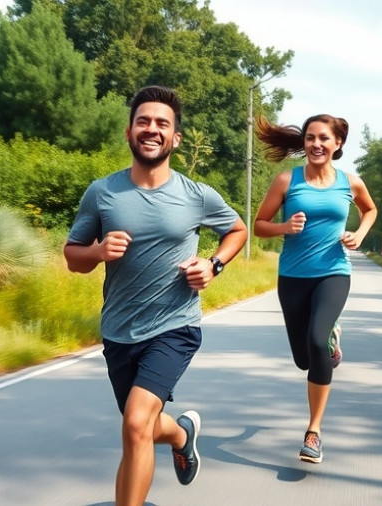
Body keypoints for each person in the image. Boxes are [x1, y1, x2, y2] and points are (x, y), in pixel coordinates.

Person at [64, 85, 247, 505]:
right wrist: (97, 250)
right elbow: (74, 257)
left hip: (174, 327)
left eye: (162, 123)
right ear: (129, 132)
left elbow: (238, 230)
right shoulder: (103, 192)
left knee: (133, 426)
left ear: (175, 138)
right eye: (143, 121)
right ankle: (182, 435)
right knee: (143, 427)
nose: (152, 129)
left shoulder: (196, 195)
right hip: (119, 331)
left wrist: (213, 265)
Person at [253, 114, 377, 464]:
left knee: (317, 341)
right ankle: (329, 342)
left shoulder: (349, 183)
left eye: (324, 138)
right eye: (310, 138)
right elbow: (259, 226)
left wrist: (359, 234)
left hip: (333, 272)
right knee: (304, 358)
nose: (316, 144)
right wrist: (284, 228)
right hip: (292, 276)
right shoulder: (285, 181)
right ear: (304, 143)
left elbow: (370, 210)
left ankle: (313, 432)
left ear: (337, 143)